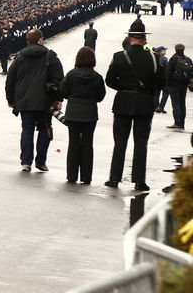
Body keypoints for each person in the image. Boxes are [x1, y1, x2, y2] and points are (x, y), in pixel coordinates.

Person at [105, 17, 164, 192]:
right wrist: (147, 90)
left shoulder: (119, 56)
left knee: (120, 142)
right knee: (141, 143)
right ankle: (139, 181)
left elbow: (109, 80)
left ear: (129, 38)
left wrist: (124, 88)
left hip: (124, 101)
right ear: (144, 38)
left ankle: (114, 178)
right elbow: (161, 82)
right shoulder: (154, 58)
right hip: (144, 102)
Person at [4, 29, 63, 172]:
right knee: (45, 129)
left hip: (24, 100)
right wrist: (58, 99)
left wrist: (11, 99)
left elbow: (10, 80)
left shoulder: (20, 57)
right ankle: (41, 161)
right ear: (40, 40)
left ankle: (26, 161)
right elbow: (59, 79)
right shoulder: (50, 56)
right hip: (45, 100)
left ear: (27, 41)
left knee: (27, 129)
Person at [59, 46, 105, 184]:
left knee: (73, 143)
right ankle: (86, 177)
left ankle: (71, 175)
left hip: (73, 112)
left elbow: (63, 91)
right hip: (90, 113)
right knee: (87, 144)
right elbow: (100, 96)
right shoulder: (97, 77)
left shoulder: (71, 75)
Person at [168, 43, 193, 131]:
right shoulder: (188, 59)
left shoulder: (173, 59)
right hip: (184, 84)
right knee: (182, 104)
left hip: (174, 84)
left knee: (176, 104)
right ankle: (182, 123)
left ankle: (177, 123)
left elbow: (169, 73)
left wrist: (168, 84)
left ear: (175, 49)